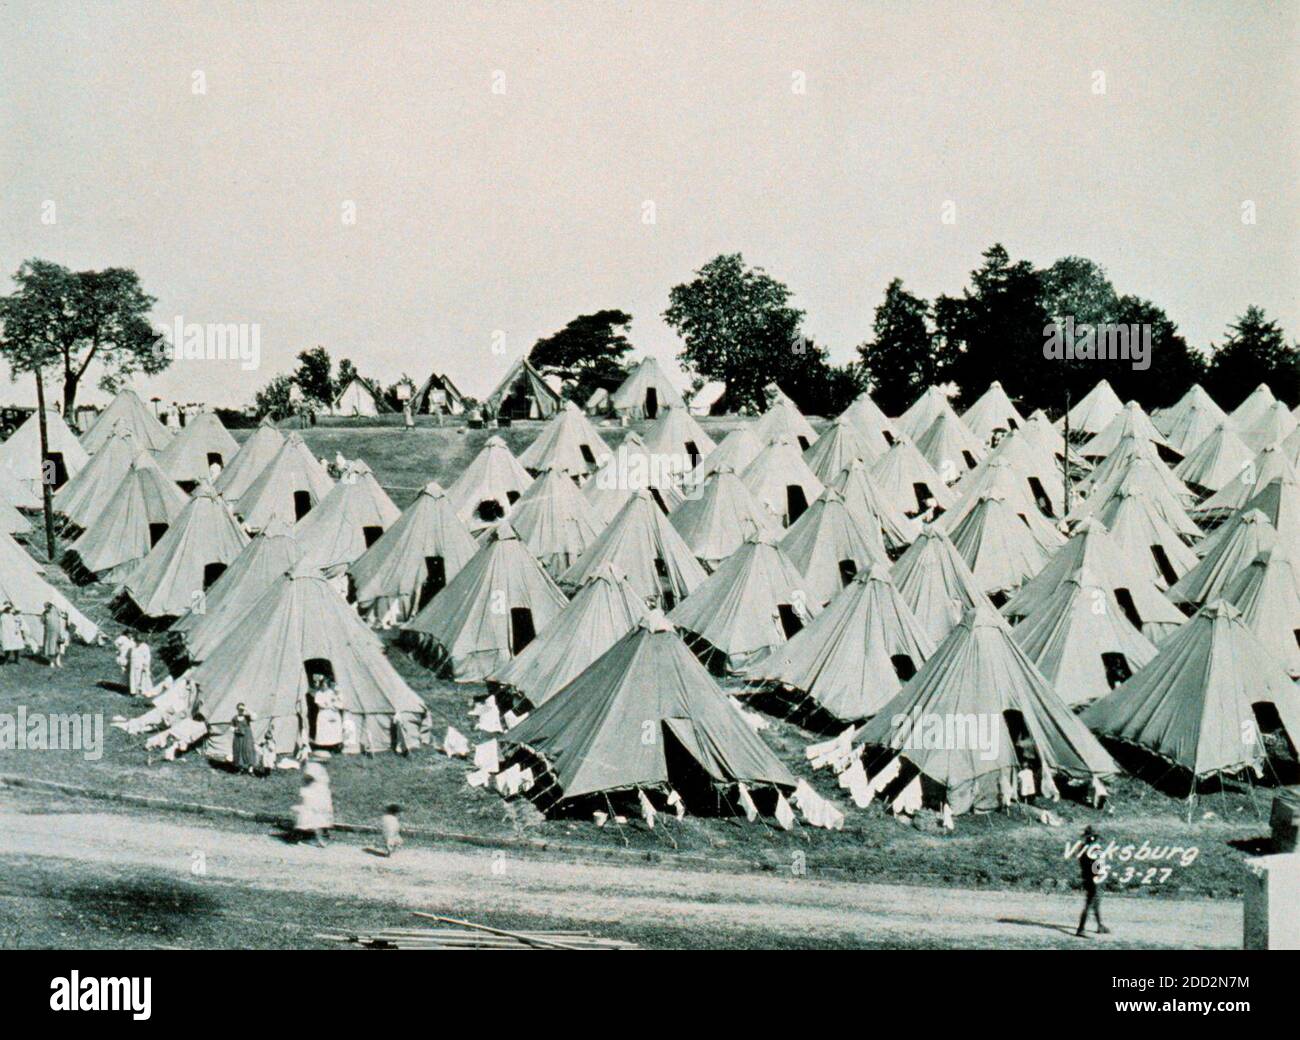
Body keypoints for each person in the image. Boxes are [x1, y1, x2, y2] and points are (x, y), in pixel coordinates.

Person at [1076, 824, 1111, 938]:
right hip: (1093, 879)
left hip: (1088, 878)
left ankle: (1100, 925)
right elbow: (1096, 866)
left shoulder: (1083, 848)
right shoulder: (1093, 849)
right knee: (1090, 903)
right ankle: (1081, 928)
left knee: (1095, 902)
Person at [295, 761, 334, 847]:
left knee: (310, 816)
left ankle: (313, 839)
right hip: (322, 794)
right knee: (320, 816)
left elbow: (309, 777)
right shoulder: (321, 768)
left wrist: (305, 780)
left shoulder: (312, 766)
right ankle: (322, 837)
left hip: (314, 793)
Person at [310, 673, 343, 751]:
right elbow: (320, 705)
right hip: (323, 713)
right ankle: (324, 746)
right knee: (324, 730)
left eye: (326, 684)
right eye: (323, 685)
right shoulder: (318, 693)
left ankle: (334, 745)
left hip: (332, 713)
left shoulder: (332, 692)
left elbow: (336, 702)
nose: (324, 686)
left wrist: (331, 705)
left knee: (333, 729)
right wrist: (328, 705)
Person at [231, 703, 257, 774]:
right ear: (237, 709)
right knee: (239, 751)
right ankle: (241, 769)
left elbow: (254, 717)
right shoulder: (235, 718)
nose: (241, 711)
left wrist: (246, 709)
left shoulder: (247, 717)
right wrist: (236, 730)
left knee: (249, 750)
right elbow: (231, 727)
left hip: (247, 737)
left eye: (242, 709)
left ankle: (250, 770)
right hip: (238, 737)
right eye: (239, 709)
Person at [41, 602, 64, 668]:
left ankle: (58, 661)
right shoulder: (45, 613)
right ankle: (51, 662)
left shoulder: (56, 610)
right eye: (45, 607)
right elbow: (42, 621)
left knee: (57, 647)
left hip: (56, 632)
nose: (46, 609)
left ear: (51, 607)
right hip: (49, 633)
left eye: (47, 607)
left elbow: (62, 615)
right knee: (50, 647)